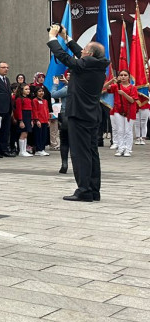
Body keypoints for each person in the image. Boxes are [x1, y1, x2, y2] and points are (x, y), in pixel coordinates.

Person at [49, 29, 111, 201]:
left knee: (80, 153)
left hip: (80, 115)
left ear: (89, 54)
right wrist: (66, 37)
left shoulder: (84, 65)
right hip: (92, 115)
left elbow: (64, 57)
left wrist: (53, 38)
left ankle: (84, 191)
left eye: (84, 50)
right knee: (91, 153)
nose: (81, 51)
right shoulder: (98, 65)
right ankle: (93, 190)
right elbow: (79, 53)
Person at [105, 69, 138, 157]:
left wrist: (123, 93)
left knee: (128, 131)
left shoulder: (133, 87)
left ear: (128, 77)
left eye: (125, 75)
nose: (123, 77)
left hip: (129, 112)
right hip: (118, 111)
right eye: (121, 75)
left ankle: (127, 149)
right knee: (120, 130)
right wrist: (111, 80)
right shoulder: (116, 86)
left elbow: (132, 100)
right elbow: (105, 87)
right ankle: (120, 148)